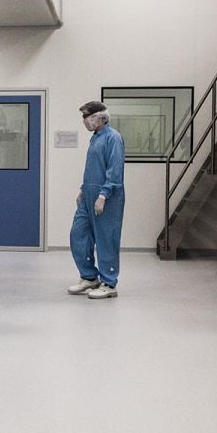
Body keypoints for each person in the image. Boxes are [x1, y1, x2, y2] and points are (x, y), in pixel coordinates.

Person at [68, 101, 126, 299]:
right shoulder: (95, 138)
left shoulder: (113, 138)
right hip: (88, 196)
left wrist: (103, 195)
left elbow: (114, 170)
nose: (84, 121)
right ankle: (89, 277)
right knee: (78, 234)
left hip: (107, 197)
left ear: (100, 117)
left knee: (106, 238)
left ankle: (109, 283)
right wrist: (83, 190)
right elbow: (93, 168)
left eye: (87, 117)